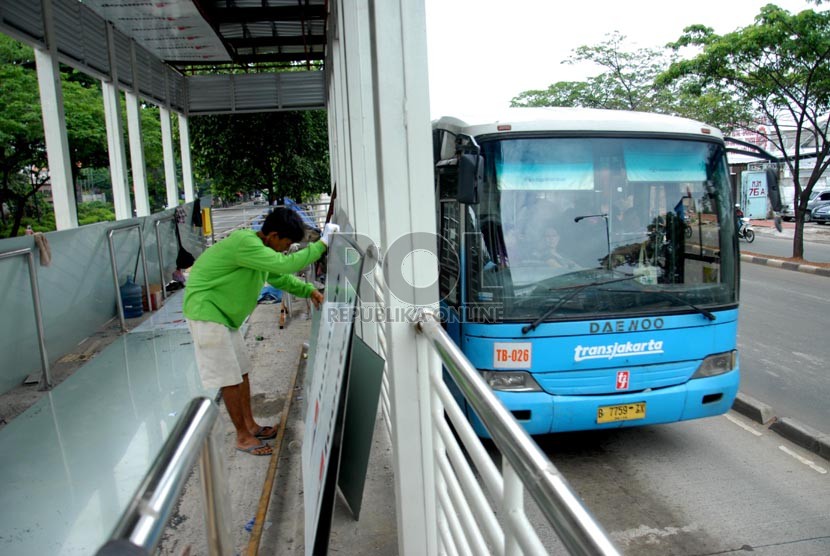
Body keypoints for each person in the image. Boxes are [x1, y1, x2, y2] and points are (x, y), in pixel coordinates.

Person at [183, 208, 339, 456]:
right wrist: (322, 244)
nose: (285, 249)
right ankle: (242, 437)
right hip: (207, 314)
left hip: (224, 317)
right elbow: (287, 264)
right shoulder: (245, 243)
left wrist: (309, 290)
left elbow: (279, 277)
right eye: (286, 243)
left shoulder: (260, 251)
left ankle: (251, 426)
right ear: (273, 235)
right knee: (229, 379)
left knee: (241, 373)